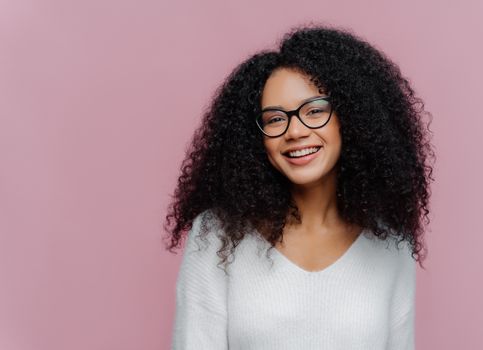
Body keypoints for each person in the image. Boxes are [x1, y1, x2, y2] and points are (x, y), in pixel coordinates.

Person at [164, 23, 435, 350]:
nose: (295, 131)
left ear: (351, 117)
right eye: (275, 119)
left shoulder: (392, 243)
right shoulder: (216, 236)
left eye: (315, 110)